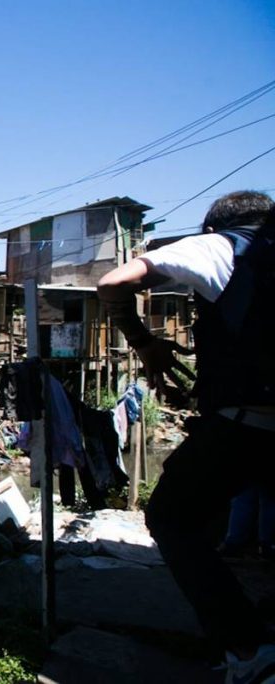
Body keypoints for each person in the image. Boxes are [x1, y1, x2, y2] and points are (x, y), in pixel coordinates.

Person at [97, 190, 275, 683]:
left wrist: (145, 343)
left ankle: (247, 649)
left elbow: (113, 280)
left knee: (172, 518)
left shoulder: (225, 247)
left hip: (249, 420)